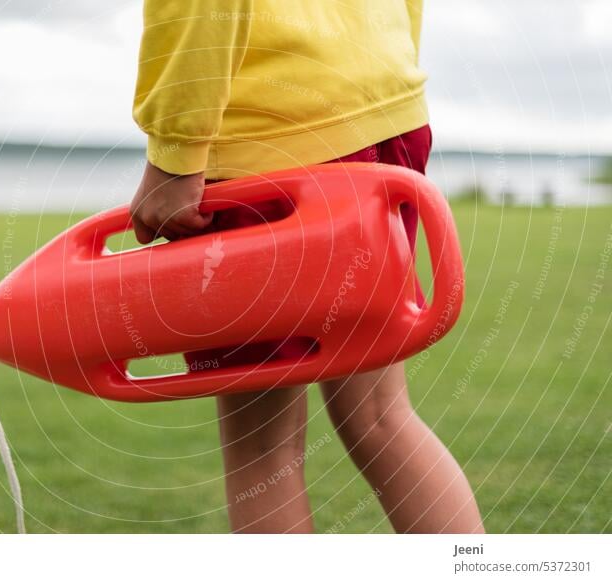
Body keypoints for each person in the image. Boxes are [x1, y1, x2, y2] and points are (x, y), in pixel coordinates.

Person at [128, 1, 484, 534]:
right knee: (382, 417)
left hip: (271, 141)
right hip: (381, 113)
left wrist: (174, 155)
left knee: (262, 450)